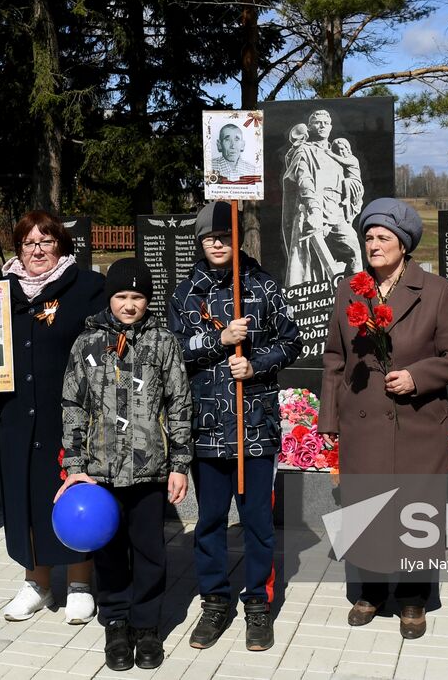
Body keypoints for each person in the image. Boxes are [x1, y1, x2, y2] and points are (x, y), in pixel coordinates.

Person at [321, 198, 448, 640]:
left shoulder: (435, 290)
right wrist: (329, 419)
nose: (373, 245)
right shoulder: (351, 290)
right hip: (363, 423)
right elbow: (334, 358)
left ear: (403, 245)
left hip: (416, 423)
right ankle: (369, 591)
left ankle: (412, 598)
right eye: (368, 237)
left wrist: (417, 376)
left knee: (414, 509)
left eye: (383, 237)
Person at [168, 200, 301, 651]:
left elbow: (292, 339)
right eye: (209, 237)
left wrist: (257, 365)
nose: (218, 244)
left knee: (259, 523)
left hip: (255, 425)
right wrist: (218, 339)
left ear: (237, 238)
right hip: (206, 427)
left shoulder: (261, 285)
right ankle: (214, 602)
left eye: (225, 236)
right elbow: (174, 353)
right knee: (208, 523)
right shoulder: (185, 293)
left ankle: (258, 607)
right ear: (200, 241)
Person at [59, 258, 192, 671]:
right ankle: (116, 621)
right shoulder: (87, 342)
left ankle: (147, 625)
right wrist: (75, 462)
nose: (129, 305)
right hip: (99, 472)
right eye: (121, 296)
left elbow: (179, 403)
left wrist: (180, 462)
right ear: (109, 298)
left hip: (149, 468)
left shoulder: (163, 341)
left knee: (150, 549)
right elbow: (72, 405)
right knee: (110, 551)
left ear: (148, 299)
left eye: (137, 297)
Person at [0, 211, 104, 623]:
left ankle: (81, 581)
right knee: (26, 497)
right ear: (18, 249)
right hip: (17, 415)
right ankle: (37, 583)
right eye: (29, 243)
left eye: (46, 242)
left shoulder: (86, 288)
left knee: (72, 492)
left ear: (61, 246)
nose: (37, 250)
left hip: (71, 415)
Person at [284, 108, 362, 281]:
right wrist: (314, 210)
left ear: (331, 127)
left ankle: (359, 294)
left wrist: (350, 187)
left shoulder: (338, 152)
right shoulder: (304, 150)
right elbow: (304, 179)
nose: (322, 126)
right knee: (312, 262)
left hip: (337, 210)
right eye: (317, 123)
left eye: (326, 123)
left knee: (353, 247)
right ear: (310, 127)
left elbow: (354, 179)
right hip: (314, 210)